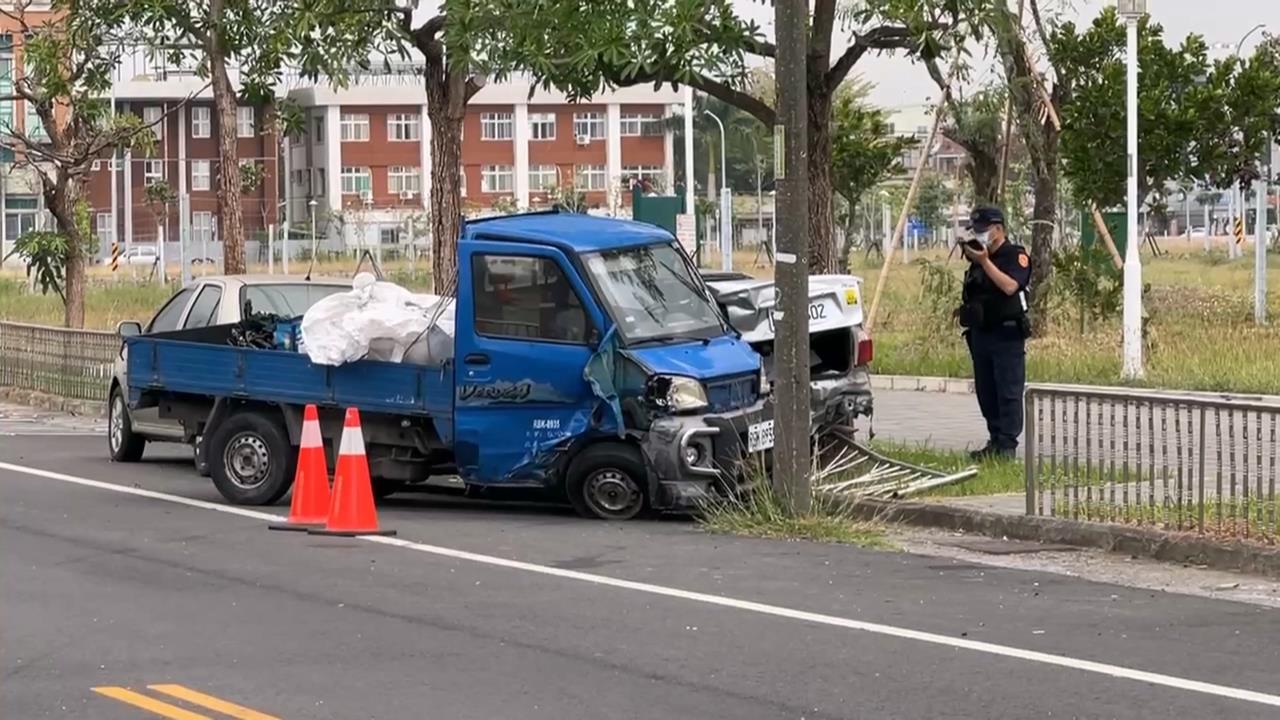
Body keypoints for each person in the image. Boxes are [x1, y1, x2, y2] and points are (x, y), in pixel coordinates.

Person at [956, 206, 1031, 460]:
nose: (978, 235)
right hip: (981, 334)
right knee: (986, 391)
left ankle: (1007, 445)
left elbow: (1010, 286)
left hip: (1007, 335)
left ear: (998, 229)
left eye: (983, 230)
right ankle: (995, 440)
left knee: (1007, 391)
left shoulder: (1014, 255)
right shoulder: (978, 257)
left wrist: (985, 262)